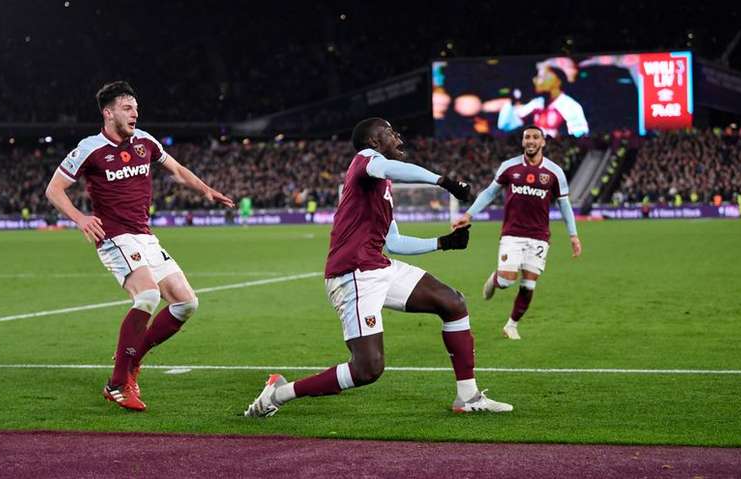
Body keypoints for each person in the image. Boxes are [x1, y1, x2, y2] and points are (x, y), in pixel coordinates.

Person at [245, 118, 513, 417]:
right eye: (389, 133)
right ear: (374, 143)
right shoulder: (366, 161)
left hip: (378, 266)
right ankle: (278, 393)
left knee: (453, 303)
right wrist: (444, 182)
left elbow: (395, 243)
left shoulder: (379, 184)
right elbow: (388, 169)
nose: (398, 136)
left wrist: (443, 243)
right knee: (367, 369)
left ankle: (468, 397)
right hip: (354, 274)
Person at [45, 81, 234, 411]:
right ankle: (117, 384)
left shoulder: (145, 141)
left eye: (136, 107)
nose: (135, 112)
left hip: (145, 236)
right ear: (108, 113)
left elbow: (175, 168)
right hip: (114, 236)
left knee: (186, 303)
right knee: (147, 295)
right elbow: (54, 189)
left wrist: (206, 190)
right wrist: (80, 218)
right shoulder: (90, 148)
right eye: (127, 107)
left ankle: (131, 357)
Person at [452, 125, 581, 340]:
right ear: (523, 142)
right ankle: (495, 279)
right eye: (527, 137)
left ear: (543, 142)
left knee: (529, 284)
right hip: (513, 233)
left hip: (540, 236)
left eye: (535, 137)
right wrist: (469, 214)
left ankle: (511, 325)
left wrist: (573, 235)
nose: (531, 141)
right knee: (507, 281)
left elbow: (564, 205)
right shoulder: (509, 167)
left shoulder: (555, 172)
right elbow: (490, 193)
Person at [498, 59, 589, 138]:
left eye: (541, 77)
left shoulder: (569, 106)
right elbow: (505, 126)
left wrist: (558, 137)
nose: (535, 80)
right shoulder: (537, 103)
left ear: (557, 80)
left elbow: (580, 135)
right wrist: (513, 101)